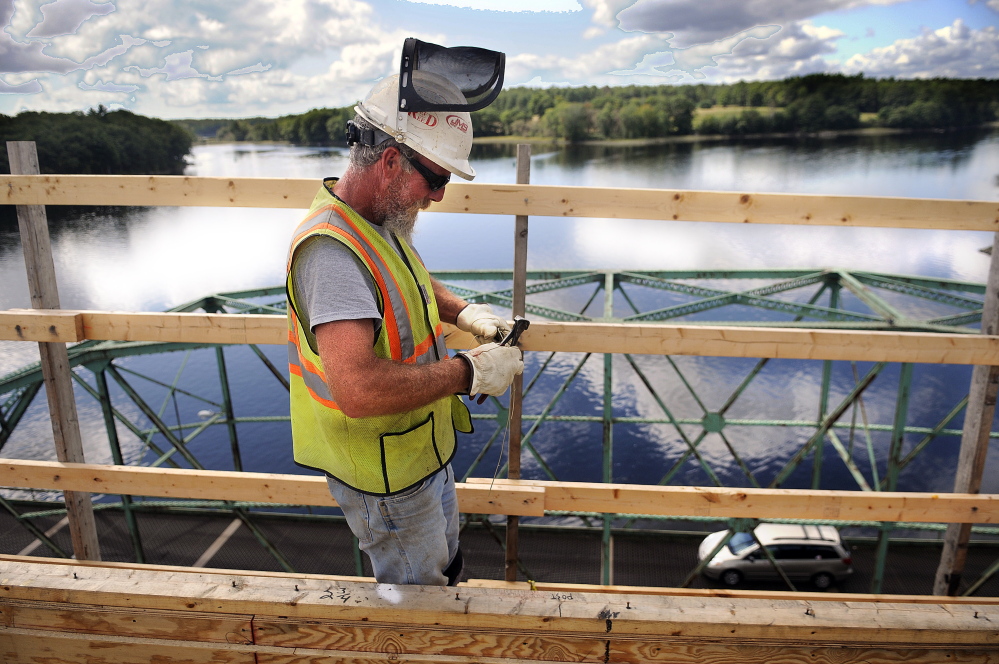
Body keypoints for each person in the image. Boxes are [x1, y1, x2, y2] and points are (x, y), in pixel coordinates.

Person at [286, 71, 523, 586]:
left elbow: (408, 278)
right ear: (391, 160)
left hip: (418, 453)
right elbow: (359, 390)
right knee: (418, 603)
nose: (438, 196)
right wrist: (467, 373)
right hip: (384, 479)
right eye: (435, 179)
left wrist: (464, 313)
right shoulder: (331, 252)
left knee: (446, 569)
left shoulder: (378, 219)